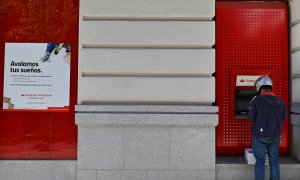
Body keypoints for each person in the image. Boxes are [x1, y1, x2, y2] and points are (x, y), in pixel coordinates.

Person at [247, 76, 286, 180]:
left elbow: (250, 118)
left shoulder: (256, 100)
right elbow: (283, 118)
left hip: (259, 137)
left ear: (259, 88)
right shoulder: (281, 102)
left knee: (260, 161)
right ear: (270, 87)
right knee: (274, 160)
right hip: (275, 136)